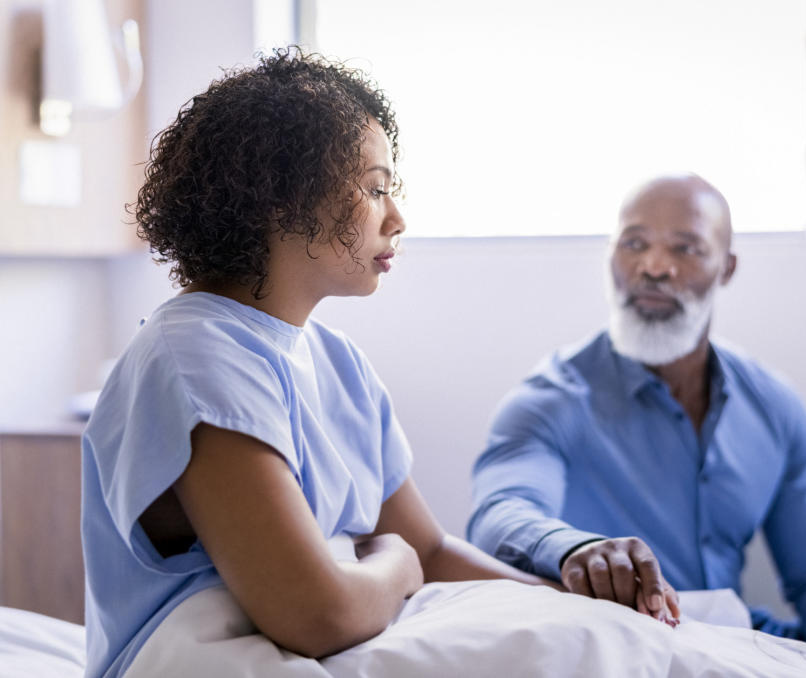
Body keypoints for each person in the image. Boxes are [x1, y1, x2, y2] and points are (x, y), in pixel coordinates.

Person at [81, 49, 585, 678]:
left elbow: (426, 546)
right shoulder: (193, 355)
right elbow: (313, 613)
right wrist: (396, 564)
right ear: (280, 196)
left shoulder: (338, 361)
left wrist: (573, 602)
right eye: (375, 189)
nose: (396, 219)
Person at [468, 173, 806, 647]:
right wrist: (577, 549)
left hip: (739, 647)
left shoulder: (774, 407)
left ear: (727, 268)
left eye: (685, 248)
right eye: (634, 243)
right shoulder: (551, 400)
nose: (654, 267)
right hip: (617, 650)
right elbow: (499, 515)